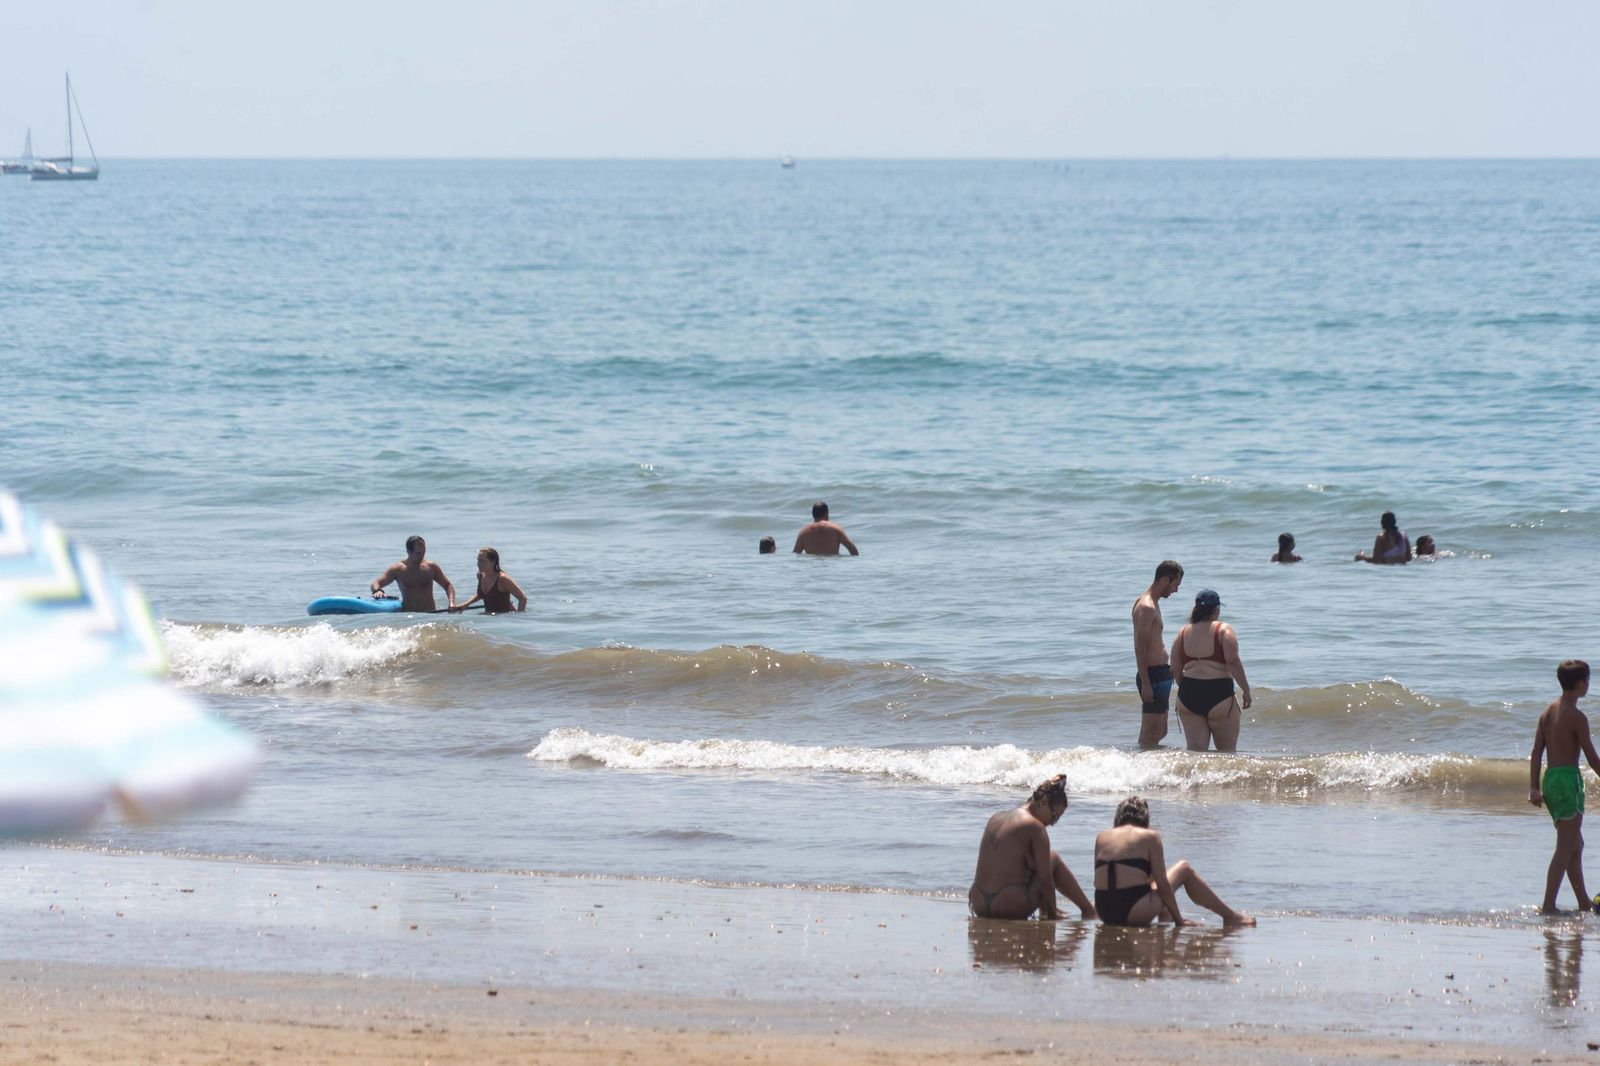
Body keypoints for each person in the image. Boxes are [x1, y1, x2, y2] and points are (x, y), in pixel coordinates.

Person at [1092, 795, 1255, 927]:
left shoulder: (1102, 837)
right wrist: (1179, 920)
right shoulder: (1150, 836)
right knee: (1184, 869)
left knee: (1145, 880)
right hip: (1133, 912)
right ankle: (1230, 916)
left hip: (1104, 911)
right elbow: (1163, 885)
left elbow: (1101, 881)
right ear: (1145, 818)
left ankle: (1165, 916)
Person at [968, 775, 1096, 921]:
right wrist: (1052, 916)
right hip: (1008, 907)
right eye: (1055, 816)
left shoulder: (996, 817)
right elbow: (1045, 880)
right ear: (1043, 802)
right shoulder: (1035, 827)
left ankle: (1046, 909)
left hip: (978, 904)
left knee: (1034, 862)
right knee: (1051, 857)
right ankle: (1088, 910)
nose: (1053, 823)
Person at [1529, 660, 1600, 914]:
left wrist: (1534, 787)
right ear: (1581, 684)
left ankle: (1583, 903)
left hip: (1551, 779)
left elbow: (1537, 751)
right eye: (1587, 680)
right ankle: (1548, 904)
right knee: (1565, 847)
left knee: (1575, 845)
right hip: (1568, 780)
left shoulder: (1548, 711)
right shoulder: (1577, 717)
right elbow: (1592, 758)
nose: (1588, 684)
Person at [1171, 589, 1252, 753]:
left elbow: (1175, 668)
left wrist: (1187, 689)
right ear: (1216, 609)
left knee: (1195, 752)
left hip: (1189, 694)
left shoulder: (1182, 633)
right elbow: (1233, 662)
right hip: (1219, 694)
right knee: (1226, 751)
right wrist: (1246, 690)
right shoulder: (1223, 630)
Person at [1132, 561, 1184, 749]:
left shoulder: (1153, 603)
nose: (1175, 590)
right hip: (1151, 676)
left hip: (1160, 674)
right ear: (1164, 579)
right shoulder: (1146, 607)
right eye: (1175, 584)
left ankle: (1148, 766)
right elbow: (1139, 647)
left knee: (1161, 731)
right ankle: (1138, 772)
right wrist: (1146, 683)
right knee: (1149, 734)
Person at [370, 535, 456, 612]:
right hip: (409, 617)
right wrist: (377, 590)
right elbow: (376, 583)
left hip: (431, 615)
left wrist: (452, 602)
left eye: (423, 552)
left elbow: (447, 585)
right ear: (408, 552)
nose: (421, 556)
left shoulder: (431, 567)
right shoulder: (398, 569)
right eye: (418, 553)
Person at [451, 547, 527, 614]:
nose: (478, 564)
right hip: (489, 617)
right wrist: (465, 605)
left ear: (493, 562)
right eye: (478, 560)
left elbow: (522, 598)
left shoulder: (502, 579)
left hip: (505, 618)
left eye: (482, 561)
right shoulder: (480, 576)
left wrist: (518, 617)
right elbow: (481, 594)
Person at [792, 502, 859, 556]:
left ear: (813, 515)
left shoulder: (803, 532)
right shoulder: (835, 529)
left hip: (812, 569)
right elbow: (852, 549)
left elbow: (795, 554)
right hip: (831, 567)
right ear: (826, 514)